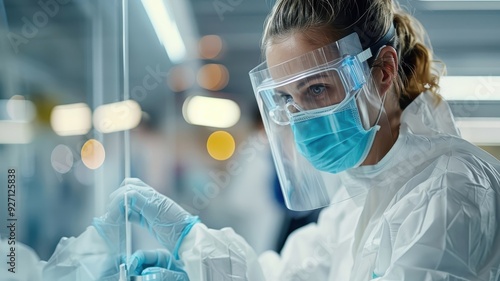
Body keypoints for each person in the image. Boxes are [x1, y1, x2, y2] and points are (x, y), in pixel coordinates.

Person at [38, 0, 500, 280]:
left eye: (316, 89)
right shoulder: (358, 194)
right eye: (286, 99)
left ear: (380, 72)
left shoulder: (451, 187)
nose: (299, 118)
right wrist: (195, 257)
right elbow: (282, 277)